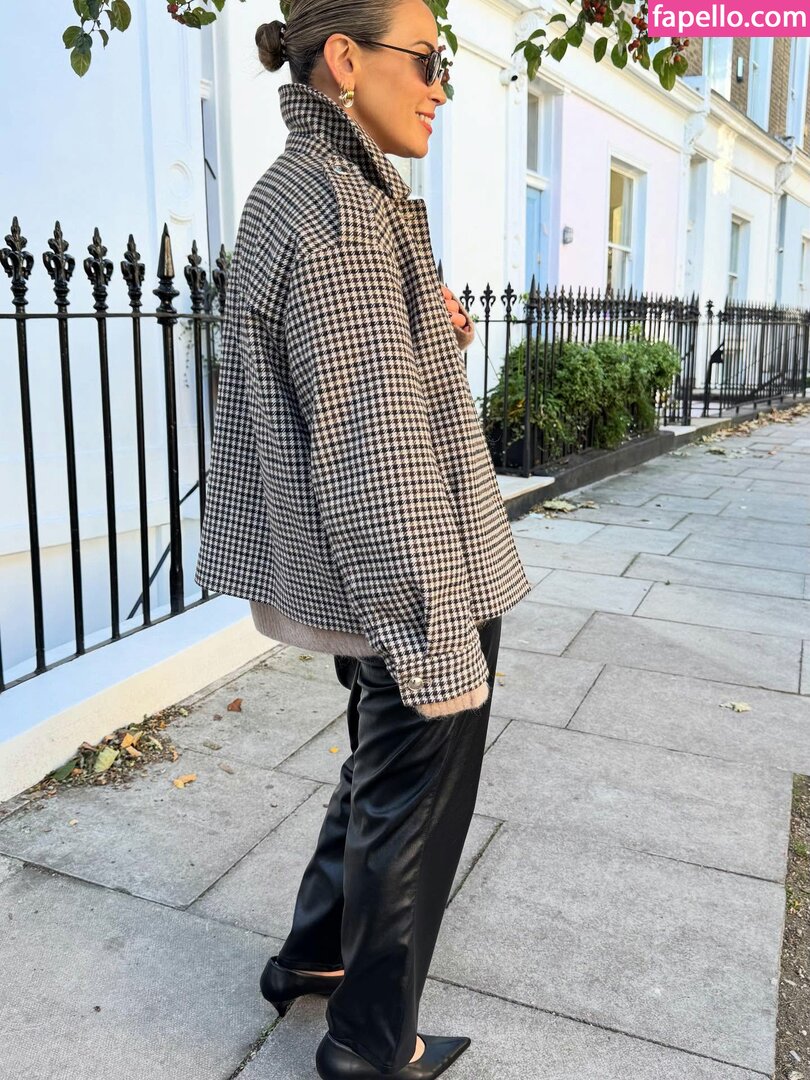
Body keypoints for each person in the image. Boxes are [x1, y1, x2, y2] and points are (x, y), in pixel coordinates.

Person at [193, 1, 532, 1076]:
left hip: (354, 564)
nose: (440, 87)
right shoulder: (340, 209)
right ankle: (372, 1043)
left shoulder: (306, 189)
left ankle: (315, 953)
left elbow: (342, 388)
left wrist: (424, 322)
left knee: (379, 765)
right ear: (345, 59)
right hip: (410, 565)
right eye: (426, 61)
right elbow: (371, 453)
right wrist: (435, 626)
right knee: (409, 785)